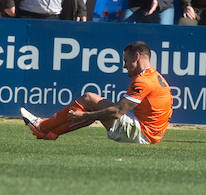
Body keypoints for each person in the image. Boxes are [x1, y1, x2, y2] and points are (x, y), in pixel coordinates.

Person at [19, 41, 173, 144]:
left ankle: (42, 126)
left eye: (125, 60)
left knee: (89, 99)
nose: (124, 66)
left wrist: (84, 115)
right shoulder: (156, 76)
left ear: (137, 57)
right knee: (93, 106)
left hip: (142, 134)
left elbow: (117, 112)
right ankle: (50, 133)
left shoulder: (144, 81)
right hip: (152, 133)